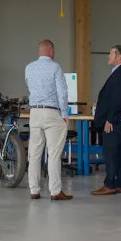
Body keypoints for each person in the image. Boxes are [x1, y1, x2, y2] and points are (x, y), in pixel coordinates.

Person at [23, 40, 73, 201]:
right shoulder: (55, 67)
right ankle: (55, 191)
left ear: (40, 51)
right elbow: (62, 93)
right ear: (51, 50)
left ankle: (34, 190)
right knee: (54, 154)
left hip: (34, 112)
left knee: (35, 154)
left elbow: (29, 87)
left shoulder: (29, 67)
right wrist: (65, 113)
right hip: (51, 113)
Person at [92, 45, 121, 196]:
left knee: (110, 151)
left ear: (118, 56)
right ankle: (120, 183)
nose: (108, 57)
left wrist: (110, 119)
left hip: (115, 121)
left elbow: (118, 98)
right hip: (120, 120)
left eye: (110, 54)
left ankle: (110, 184)